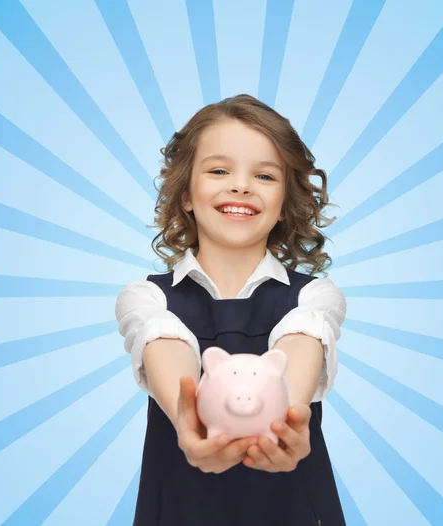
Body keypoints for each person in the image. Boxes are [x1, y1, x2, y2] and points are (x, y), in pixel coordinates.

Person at [115, 94, 347, 526]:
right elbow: (166, 342)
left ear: (283, 204)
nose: (240, 185)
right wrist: (191, 424)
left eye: (264, 175)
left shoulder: (316, 297)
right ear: (186, 194)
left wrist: (283, 426)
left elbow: (299, 343)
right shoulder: (145, 298)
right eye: (219, 170)